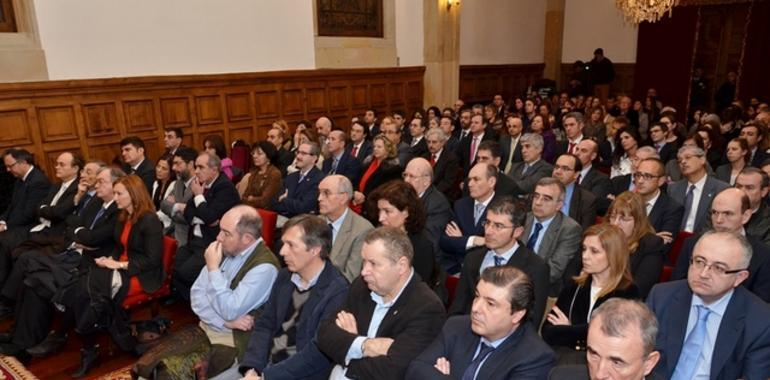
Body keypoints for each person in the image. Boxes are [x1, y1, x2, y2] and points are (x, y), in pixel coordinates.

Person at [0, 165, 119, 360]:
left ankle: (25, 340)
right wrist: (81, 235)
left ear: (116, 185)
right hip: (74, 254)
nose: (96, 185)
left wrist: (83, 235)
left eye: (102, 182)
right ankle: (18, 337)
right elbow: (73, 221)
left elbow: (95, 239)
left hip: (90, 266)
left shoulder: (117, 210)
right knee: (32, 280)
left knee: (33, 277)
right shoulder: (97, 203)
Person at [64, 175, 164, 377]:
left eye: (119, 193)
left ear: (134, 195)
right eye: (115, 193)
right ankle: (104, 341)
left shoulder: (150, 220)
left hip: (142, 274)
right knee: (87, 284)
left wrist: (117, 264)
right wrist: (109, 259)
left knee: (90, 288)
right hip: (122, 267)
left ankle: (90, 345)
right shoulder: (124, 216)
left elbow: (152, 260)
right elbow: (120, 247)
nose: (115, 197)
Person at [316, 227, 446, 380]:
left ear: (401, 266)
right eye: (364, 262)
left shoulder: (426, 308)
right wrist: (365, 345)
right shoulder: (362, 285)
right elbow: (324, 334)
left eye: (373, 263)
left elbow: (393, 371)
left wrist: (347, 349)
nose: (364, 271)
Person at [230, 215, 349, 380]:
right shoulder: (285, 276)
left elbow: (317, 353)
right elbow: (265, 324)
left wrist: (266, 376)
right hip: (263, 366)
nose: (282, 251)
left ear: (315, 249)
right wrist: (252, 368)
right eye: (284, 243)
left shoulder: (337, 291)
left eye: (291, 245)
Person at [646, 231, 770, 379]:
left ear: (739, 277)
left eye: (718, 268)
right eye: (699, 261)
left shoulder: (761, 322)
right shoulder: (661, 297)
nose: (703, 274)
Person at [408, 266, 556, 379]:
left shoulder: (535, 357)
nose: (476, 308)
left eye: (491, 304)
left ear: (517, 315)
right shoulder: (456, 326)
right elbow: (415, 370)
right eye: (477, 296)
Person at [186, 205, 280, 377]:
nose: (218, 237)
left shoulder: (265, 268)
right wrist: (224, 321)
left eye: (226, 233)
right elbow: (196, 296)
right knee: (155, 367)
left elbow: (229, 310)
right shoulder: (227, 248)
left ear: (247, 238)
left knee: (184, 373)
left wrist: (213, 269)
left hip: (232, 339)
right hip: (209, 326)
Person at [542, 224, 640, 361]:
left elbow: (610, 338)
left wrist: (568, 329)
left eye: (594, 251)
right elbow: (547, 332)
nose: (585, 256)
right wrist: (581, 331)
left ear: (613, 255)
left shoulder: (627, 292)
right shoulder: (574, 286)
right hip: (563, 359)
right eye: (584, 249)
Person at [448, 197, 550, 326]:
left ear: (517, 232)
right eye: (488, 223)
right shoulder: (473, 258)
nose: (489, 231)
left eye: (498, 226)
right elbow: (458, 307)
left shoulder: (536, 268)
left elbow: (531, 322)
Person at [672, 188, 770, 302]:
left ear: (746, 216)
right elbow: (676, 287)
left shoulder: (763, 255)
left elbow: (760, 303)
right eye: (715, 213)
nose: (718, 220)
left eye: (728, 214)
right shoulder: (692, 244)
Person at [0, 151, 81, 286]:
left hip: (50, 231)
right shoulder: (56, 186)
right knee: (16, 250)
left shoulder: (41, 181)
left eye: (61, 164)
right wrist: (2, 221)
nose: (56, 167)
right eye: (57, 164)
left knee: (9, 245)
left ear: (75, 168)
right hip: (40, 228)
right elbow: (34, 208)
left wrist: (45, 210)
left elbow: (55, 213)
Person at [172, 152, 240, 301]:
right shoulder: (200, 184)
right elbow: (188, 212)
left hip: (211, 243)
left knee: (185, 273)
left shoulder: (225, 187)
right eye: (196, 167)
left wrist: (198, 197)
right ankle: (193, 303)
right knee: (174, 269)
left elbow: (210, 217)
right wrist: (202, 216)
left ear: (214, 170)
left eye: (201, 167)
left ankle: (203, 302)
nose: (196, 171)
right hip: (194, 240)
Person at [549, 299, 661, 380]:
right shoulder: (561, 377)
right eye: (594, 354)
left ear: (648, 363)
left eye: (617, 363)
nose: (599, 374)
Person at [368, 181, 439, 290]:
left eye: (387, 211)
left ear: (406, 212)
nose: (380, 218)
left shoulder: (421, 247)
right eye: (379, 211)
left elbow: (417, 290)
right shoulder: (378, 239)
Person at [522, 177, 583, 295]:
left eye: (546, 199)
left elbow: (552, 271)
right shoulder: (523, 219)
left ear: (559, 205)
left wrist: (517, 281)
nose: (538, 202)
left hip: (542, 290)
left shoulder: (570, 229)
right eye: (536, 196)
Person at [440, 163, 498, 275]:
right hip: (458, 267)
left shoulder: (502, 208)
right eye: (469, 179)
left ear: (491, 182)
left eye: (476, 179)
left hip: (487, 271)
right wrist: (473, 240)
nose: (470, 184)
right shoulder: (460, 205)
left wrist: (461, 240)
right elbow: (445, 242)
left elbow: (493, 247)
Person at [606, 192, 665, 298]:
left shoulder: (651, 245)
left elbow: (639, 290)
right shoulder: (601, 238)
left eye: (624, 219)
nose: (615, 223)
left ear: (637, 223)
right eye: (613, 217)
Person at [318, 175, 373, 282]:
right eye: (319, 192)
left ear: (343, 198)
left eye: (326, 193)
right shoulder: (315, 222)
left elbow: (350, 277)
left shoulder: (363, 230)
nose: (319, 198)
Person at [667, 146, 730, 233]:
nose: (683, 162)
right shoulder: (673, 189)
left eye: (688, 157)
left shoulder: (721, 189)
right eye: (680, 160)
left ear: (702, 160)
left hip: (705, 240)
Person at [402, 158, 453, 252]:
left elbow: (429, 242)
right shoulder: (405, 196)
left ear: (426, 180)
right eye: (405, 175)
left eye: (412, 176)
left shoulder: (437, 204)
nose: (406, 180)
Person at [633, 158, 684, 246]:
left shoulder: (673, 209)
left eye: (647, 176)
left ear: (661, 181)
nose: (640, 181)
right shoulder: (627, 201)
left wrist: (630, 240)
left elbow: (663, 246)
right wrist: (652, 238)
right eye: (638, 175)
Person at [0, 148, 51, 234]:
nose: (7, 170)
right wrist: (2, 221)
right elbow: (12, 205)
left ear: (24, 162)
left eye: (10, 166)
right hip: (16, 225)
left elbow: (29, 214)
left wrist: (6, 226)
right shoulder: (20, 179)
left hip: (28, 228)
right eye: (7, 166)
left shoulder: (38, 182)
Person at [351, 134, 403, 215]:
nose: (375, 149)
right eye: (374, 146)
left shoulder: (393, 169)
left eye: (379, 147)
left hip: (374, 209)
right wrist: (355, 193)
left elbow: (385, 191)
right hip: (358, 203)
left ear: (388, 149)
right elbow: (356, 180)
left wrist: (364, 197)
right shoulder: (368, 163)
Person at [271, 142, 324, 221]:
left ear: (314, 158)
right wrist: (292, 203)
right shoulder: (291, 177)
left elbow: (303, 208)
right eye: (298, 152)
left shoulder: (319, 179)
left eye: (303, 153)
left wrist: (284, 200)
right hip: (283, 218)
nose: (298, 156)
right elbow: (274, 203)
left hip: (304, 223)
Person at [160, 147, 198, 247]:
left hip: (189, 239)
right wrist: (178, 207)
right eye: (173, 163)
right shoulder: (178, 184)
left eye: (178, 163)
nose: (173, 168)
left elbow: (190, 217)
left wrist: (173, 206)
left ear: (190, 164)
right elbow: (163, 205)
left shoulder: (199, 184)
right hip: (172, 233)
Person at [552, 154, 597, 230]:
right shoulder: (540, 191)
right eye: (556, 167)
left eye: (565, 169)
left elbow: (584, 233)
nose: (558, 172)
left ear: (576, 174)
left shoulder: (587, 200)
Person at [506, 133, 554, 197]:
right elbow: (505, 183)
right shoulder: (515, 166)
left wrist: (508, 185)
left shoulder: (546, 168)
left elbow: (528, 186)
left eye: (527, 146)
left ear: (539, 149)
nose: (523, 150)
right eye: (522, 147)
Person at [573, 139, 612, 215]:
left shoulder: (601, 179)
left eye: (583, 151)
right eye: (577, 149)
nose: (577, 153)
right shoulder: (568, 172)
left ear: (593, 156)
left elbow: (592, 203)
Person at [241, 141, 283, 210]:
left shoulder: (274, 174)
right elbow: (244, 197)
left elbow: (265, 201)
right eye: (253, 153)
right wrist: (251, 199)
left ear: (269, 157)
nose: (254, 156)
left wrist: (251, 199)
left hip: (267, 212)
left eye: (259, 154)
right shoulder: (254, 172)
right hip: (251, 210)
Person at [736, 167, 770, 246]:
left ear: (764, 191)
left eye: (749, 188)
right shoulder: (721, 212)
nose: (742, 191)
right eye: (739, 186)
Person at [424, 128, 460, 200]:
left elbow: (447, 182)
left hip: (442, 196)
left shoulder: (451, 159)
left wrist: (430, 194)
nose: (430, 145)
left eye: (434, 142)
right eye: (428, 142)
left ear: (442, 143)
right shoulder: (424, 156)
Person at [151, 153, 176, 231]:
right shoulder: (156, 184)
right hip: (156, 220)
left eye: (164, 168)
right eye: (158, 166)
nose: (159, 170)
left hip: (168, 224)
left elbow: (168, 210)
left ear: (171, 172)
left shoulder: (174, 185)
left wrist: (152, 216)